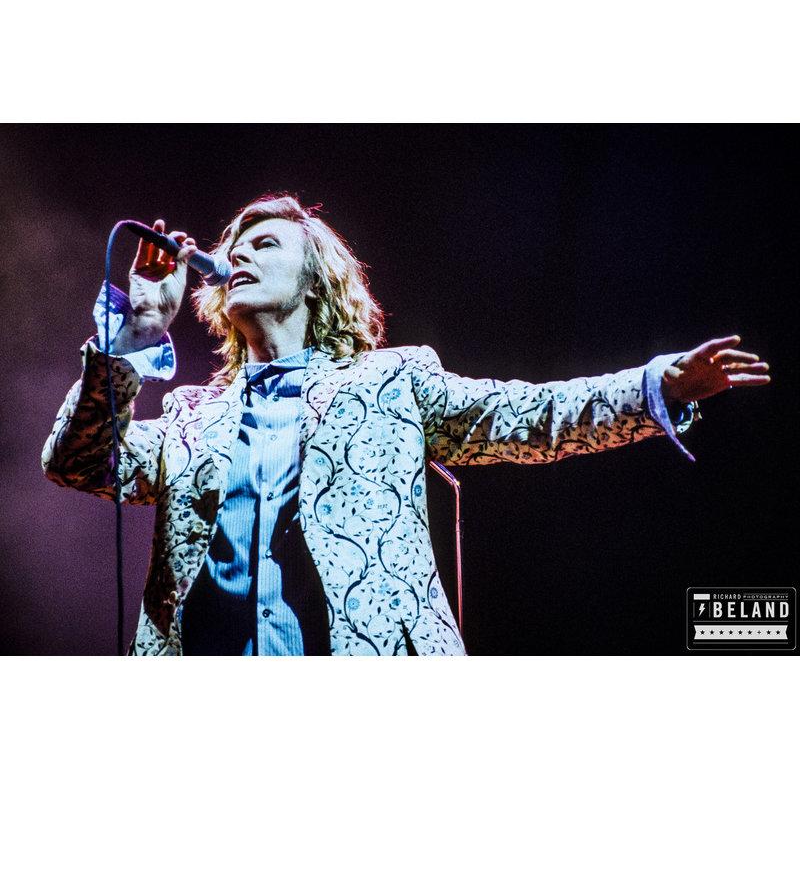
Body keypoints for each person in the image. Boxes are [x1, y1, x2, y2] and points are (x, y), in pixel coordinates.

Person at [42, 194, 771, 656]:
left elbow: (530, 416)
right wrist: (137, 327)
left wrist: (653, 386)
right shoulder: (189, 418)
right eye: (235, 248)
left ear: (316, 279)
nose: (239, 255)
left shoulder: (392, 381)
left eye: (266, 245)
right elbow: (76, 460)